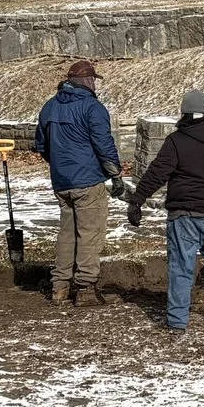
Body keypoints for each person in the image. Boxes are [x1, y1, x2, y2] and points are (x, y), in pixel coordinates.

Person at [129, 89, 204, 332]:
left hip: (185, 216)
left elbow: (157, 173)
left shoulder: (177, 141)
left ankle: (177, 322)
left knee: (181, 267)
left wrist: (137, 200)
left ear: (184, 113)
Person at [35, 59, 125, 307]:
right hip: (87, 180)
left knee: (67, 233)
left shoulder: (49, 107)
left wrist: (60, 166)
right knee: (89, 233)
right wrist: (115, 175)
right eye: (94, 79)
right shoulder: (92, 108)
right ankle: (85, 288)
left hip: (61, 182)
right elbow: (104, 145)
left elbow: (41, 145)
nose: (95, 84)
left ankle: (60, 288)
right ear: (87, 81)